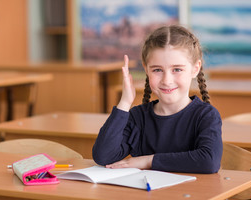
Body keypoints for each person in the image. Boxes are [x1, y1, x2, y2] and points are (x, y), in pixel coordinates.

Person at [92, 25, 222, 173]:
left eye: (177, 69)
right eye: (157, 70)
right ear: (146, 69)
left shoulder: (205, 115)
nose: (167, 80)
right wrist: (125, 103)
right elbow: (103, 156)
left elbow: (209, 161)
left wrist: (148, 160)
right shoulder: (138, 117)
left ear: (195, 69)